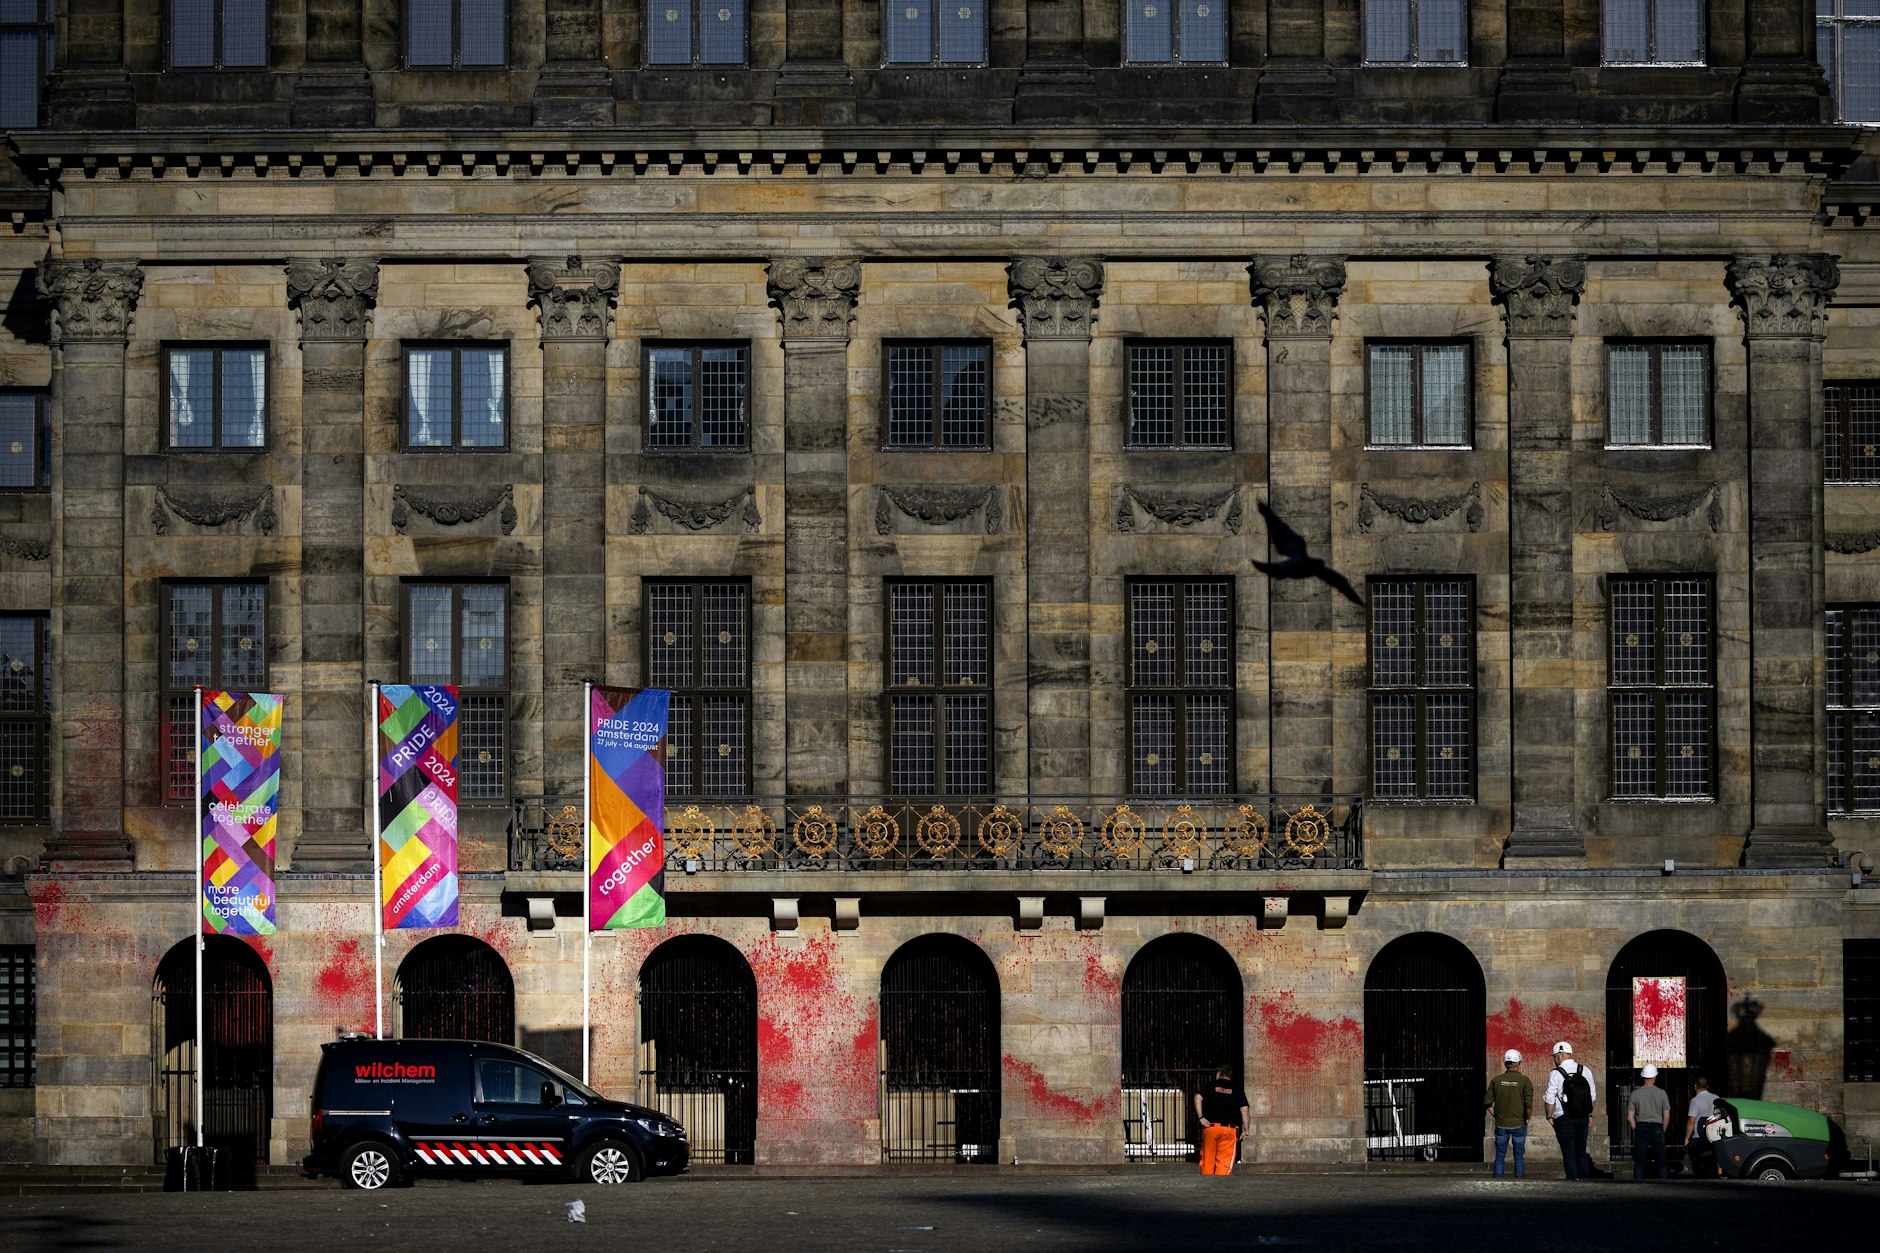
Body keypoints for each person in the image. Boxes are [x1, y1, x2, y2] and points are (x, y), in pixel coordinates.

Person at [1542, 1041, 1597, 1180]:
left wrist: (1549, 1116)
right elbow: (1592, 1096)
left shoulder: (1555, 1073)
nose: (1554, 1060)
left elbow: (1549, 1098)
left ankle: (1572, 1181)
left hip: (1563, 1117)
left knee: (1568, 1152)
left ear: (1560, 1055)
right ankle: (1585, 1181)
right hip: (1583, 1116)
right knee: (1581, 1151)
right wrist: (1589, 1114)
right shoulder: (1585, 1070)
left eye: (1554, 1057)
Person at [1485, 1048, 1533, 1178]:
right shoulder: (1525, 1081)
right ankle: (1519, 1177)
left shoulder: (1496, 1080)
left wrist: (1497, 1115)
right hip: (1519, 1124)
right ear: (1519, 1063)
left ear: (1505, 1063)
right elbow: (1529, 1105)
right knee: (1519, 1155)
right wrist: (1527, 1119)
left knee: (1500, 1154)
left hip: (1501, 1124)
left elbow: (1487, 1103)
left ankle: (1498, 1177)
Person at [1194, 1065, 1250, 1177]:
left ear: (1219, 1074)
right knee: (1224, 1164)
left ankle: (1206, 1186)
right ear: (1230, 1076)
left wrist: (1201, 1117)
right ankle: (1220, 1186)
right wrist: (1246, 1129)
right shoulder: (1237, 1089)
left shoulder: (1209, 1086)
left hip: (1210, 1127)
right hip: (1229, 1130)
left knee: (1207, 1162)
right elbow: (1245, 1110)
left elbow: (1197, 1098)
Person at [1627, 1064, 1671, 1179]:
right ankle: (1664, 1185)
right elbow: (1666, 1116)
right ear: (1655, 1077)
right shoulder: (1662, 1093)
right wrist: (1662, 1130)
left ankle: (1638, 1187)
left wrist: (1636, 1129)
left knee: (1639, 1161)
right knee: (1661, 1160)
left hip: (1641, 1126)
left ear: (1643, 1077)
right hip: (1657, 1127)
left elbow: (1630, 1117)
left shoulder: (1635, 1094)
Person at [1684, 1075, 1719, 1178]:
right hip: (1713, 1135)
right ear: (1707, 1086)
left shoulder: (1695, 1101)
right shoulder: (1716, 1098)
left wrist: (1686, 1138)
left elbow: (1692, 1120)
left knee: (1699, 1162)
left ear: (1695, 1086)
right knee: (1712, 1160)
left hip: (1699, 1136)